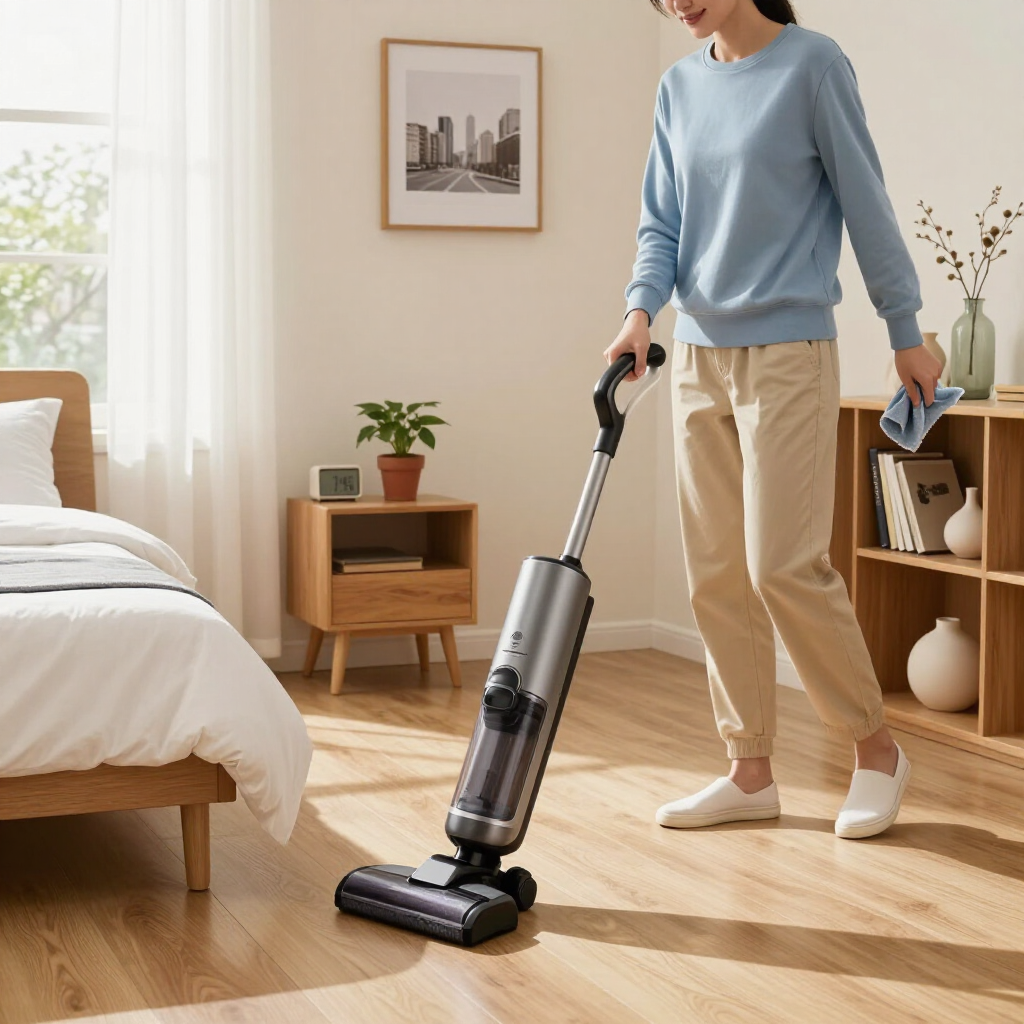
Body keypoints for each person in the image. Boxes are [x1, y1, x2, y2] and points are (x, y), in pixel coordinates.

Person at [606, 0, 941, 838]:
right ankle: (749, 770)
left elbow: (868, 206)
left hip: (790, 349)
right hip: (694, 356)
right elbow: (661, 221)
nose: (676, 2)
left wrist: (904, 331)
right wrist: (641, 310)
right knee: (715, 572)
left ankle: (876, 750)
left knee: (783, 565)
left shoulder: (813, 66)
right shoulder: (679, 86)